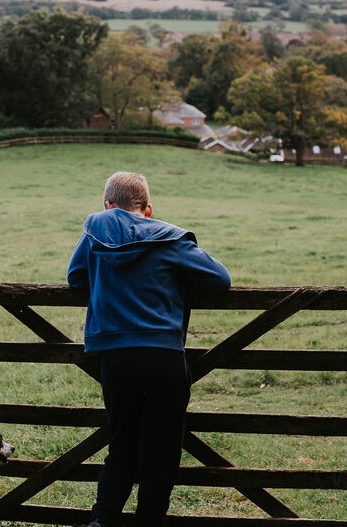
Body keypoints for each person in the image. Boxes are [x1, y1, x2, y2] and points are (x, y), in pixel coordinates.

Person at [67, 171, 231, 527]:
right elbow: (220, 279)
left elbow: (75, 277)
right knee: (160, 454)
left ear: (108, 206)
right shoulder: (170, 240)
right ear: (148, 208)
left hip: (115, 358)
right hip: (162, 356)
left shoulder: (95, 233)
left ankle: (102, 521)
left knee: (122, 447)